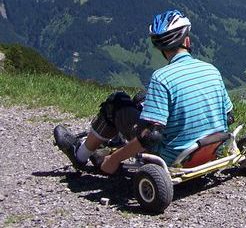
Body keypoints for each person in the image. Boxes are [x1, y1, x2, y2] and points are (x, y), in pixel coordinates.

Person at [54, 9, 234, 174]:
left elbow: (151, 136)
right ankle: (115, 143)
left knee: (116, 103)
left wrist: (114, 160)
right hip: (210, 148)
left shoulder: (162, 78)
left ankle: (80, 154)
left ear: (160, 47)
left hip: (173, 156)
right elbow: (228, 117)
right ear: (187, 40)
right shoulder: (211, 69)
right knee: (142, 99)